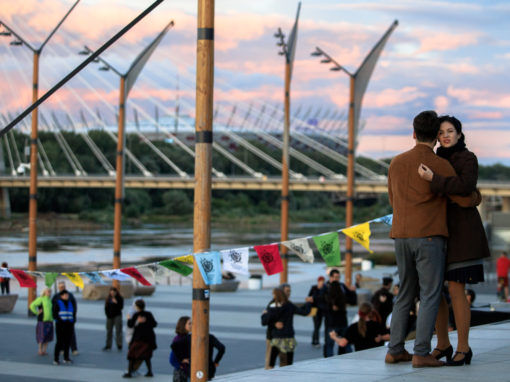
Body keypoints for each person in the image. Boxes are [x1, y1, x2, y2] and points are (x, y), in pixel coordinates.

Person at [386, 110, 479, 368]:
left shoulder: (396, 162)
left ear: (414, 134)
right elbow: (462, 197)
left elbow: (392, 200)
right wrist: (476, 198)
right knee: (430, 294)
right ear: (435, 138)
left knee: (405, 293)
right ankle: (421, 353)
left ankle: (394, 350)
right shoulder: (439, 164)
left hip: (400, 236)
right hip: (428, 236)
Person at [418, 115, 491, 366]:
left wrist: (436, 182)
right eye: (441, 132)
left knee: (457, 290)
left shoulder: (467, 158)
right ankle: (443, 344)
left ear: (459, 134)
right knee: (435, 292)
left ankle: (463, 348)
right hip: (438, 231)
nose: (446, 135)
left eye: (451, 131)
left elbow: (466, 185)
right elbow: (459, 192)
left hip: (462, 234)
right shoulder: (434, 160)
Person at [261, 287, 311, 368]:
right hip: (289, 338)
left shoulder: (273, 307)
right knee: (288, 364)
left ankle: (270, 378)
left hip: (277, 338)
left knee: (271, 363)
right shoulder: (290, 305)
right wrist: (308, 303)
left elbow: (264, 322)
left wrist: (264, 314)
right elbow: (304, 312)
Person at [123, 299, 157, 378]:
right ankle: (149, 371)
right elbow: (154, 324)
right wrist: (146, 322)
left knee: (131, 355)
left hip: (138, 339)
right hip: (148, 339)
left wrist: (129, 318)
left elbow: (130, 325)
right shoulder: (148, 314)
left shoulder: (136, 315)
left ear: (137, 307)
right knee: (146, 356)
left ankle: (129, 372)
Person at [262, 283, 291, 368]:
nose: (288, 293)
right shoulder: (272, 304)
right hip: (272, 337)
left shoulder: (288, 304)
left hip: (284, 338)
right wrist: (274, 324)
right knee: (269, 362)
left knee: (285, 362)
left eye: (289, 291)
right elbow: (265, 321)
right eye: (287, 291)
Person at [52, 281, 78, 355]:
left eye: (63, 287)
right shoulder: (56, 296)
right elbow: (53, 308)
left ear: (65, 287)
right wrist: (56, 318)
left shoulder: (70, 295)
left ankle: (74, 349)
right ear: (58, 288)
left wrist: (74, 317)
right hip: (60, 320)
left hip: (69, 319)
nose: (62, 288)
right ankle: (62, 349)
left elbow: (74, 307)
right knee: (60, 336)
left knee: (71, 334)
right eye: (60, 287)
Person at [52, 290, 75, 365]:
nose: (66, 296)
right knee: (59, 342)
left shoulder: (70, 303)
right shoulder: (58, 303)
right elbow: (55, 314)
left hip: (69, 325)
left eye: (67, 295)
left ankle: (66, 358)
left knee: (67, 341)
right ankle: (56, 359)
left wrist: (73, 321)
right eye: (65, 295)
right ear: (61, 296)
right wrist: (60, 321)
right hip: (60, 325)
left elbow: (73, 313)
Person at [30, 287, 54, 356]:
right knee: (41, 336)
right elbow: (32, 305)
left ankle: (44, 350)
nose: (49, 293)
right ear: (44, 292)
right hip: (42, 320)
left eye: (50, 291)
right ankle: (40, 350)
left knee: (48, 336)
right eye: (48, 291)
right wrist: (37, 312)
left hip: (50, 320)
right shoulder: (40, 299)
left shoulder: (50, 300)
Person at [306, 276, 326, 347]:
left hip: (321, 310)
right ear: (318, 281)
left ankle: (314, 340)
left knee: (318, 326)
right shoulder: (314, 288)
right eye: (321, 281)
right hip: (314, 309)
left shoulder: (325, 289)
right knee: (316, 326)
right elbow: (309, 297)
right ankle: (316, 341)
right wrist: (311, 299)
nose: (322, 283)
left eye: (323, 281)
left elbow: (324, 298)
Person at [170, 316, 191, 382]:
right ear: (183, 325)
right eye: (189, 323)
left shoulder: (187, 337)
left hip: (186, 371)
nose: (192, 325)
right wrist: (180, 365)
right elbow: (172, 359)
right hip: (181, 373)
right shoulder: (179, 339)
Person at [103, 287, 124, 351]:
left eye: (113, 292)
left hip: (117, 315)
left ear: (116, 292)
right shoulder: (108, 298)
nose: (112, 293)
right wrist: (107, 315)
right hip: (109, 316)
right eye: (111, 292)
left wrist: (116, 303)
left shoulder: (120, 298)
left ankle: (119, 344)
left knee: (118, 330)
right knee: (109, 331)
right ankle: (108, 345)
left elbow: (121, 307)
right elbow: (106, 308)